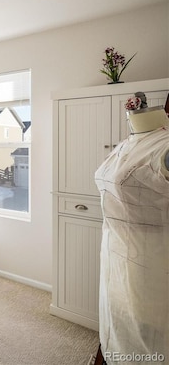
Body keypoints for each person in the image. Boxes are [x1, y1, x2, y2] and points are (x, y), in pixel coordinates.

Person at [93, 92, 169, 364]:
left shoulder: (163, 145)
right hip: (115, 253)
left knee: (152, 338)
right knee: (119, 325)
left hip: (154, 262)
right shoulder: (125, 144)